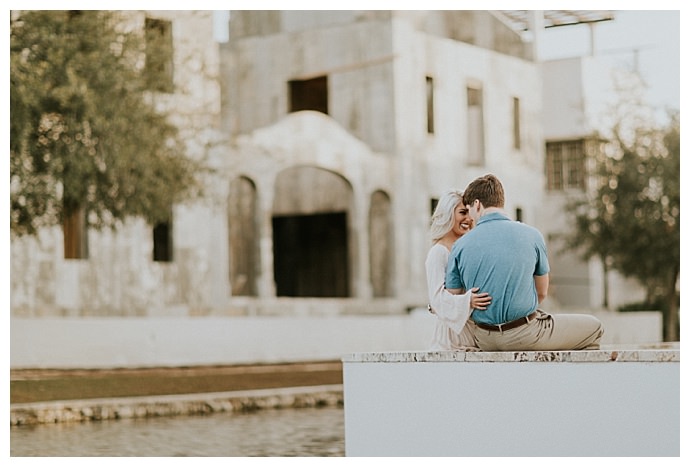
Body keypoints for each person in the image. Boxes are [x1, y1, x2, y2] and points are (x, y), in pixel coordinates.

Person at [445, 174, 604, 351]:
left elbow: (453, 296)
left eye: (469, 210)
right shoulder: (532, 235)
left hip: (484, 338)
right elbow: (542, 293)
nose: (470, 218)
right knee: (594, 327)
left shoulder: (459, 245)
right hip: (525, 334)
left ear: (477, 204)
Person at [426, 190, 492, 350]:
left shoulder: (468, 248)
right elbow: (436, 299)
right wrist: (468, 301)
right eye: (462, 212)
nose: (468, 219)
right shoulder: (438, 252)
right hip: (451, 337)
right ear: (448, 214)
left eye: (469, 213)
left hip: (474, 332)